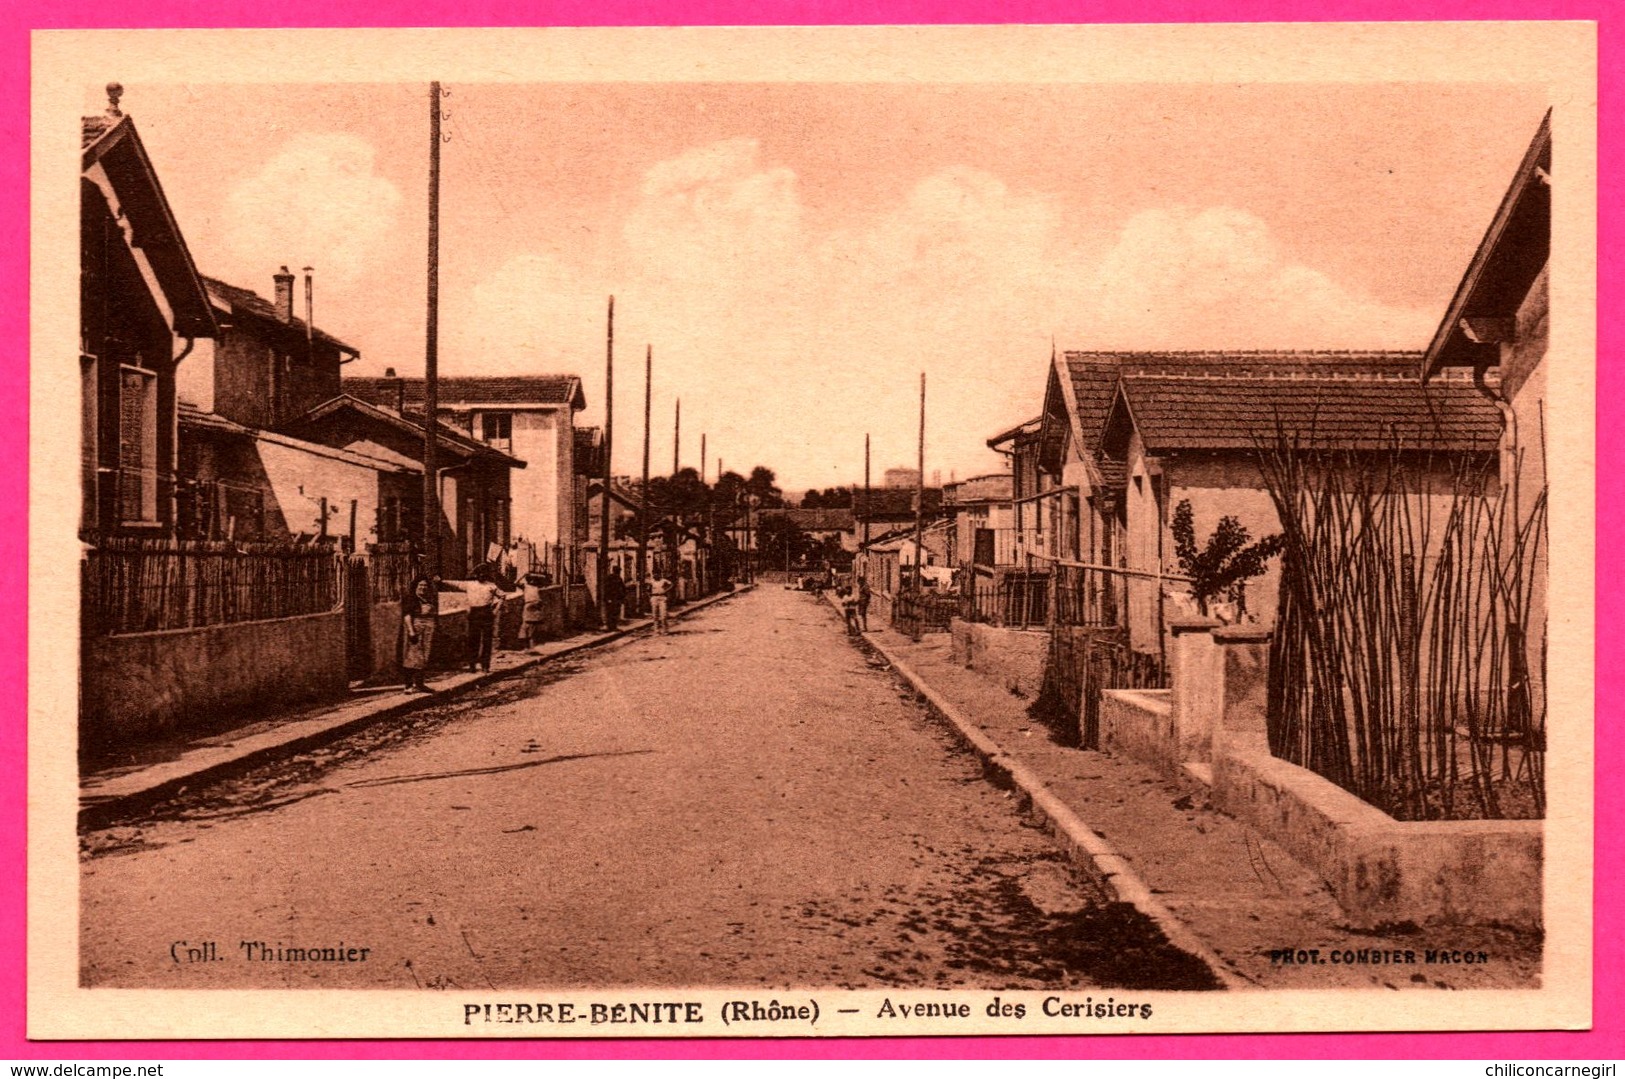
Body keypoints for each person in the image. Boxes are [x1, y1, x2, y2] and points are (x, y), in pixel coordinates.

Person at [400, 575, 439, 693]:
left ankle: (420, 684)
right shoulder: (411, 599)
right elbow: (407, 616)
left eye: (425, 585)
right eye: (420, 585)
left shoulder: (429, 599)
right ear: (415, 586)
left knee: (424, 656)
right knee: (412, 657)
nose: (423, 588)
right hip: (416, 628)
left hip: (428, 630)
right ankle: (408, 685)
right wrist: (411, 632)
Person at [464, 567, 502, 672]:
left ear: (486, 574)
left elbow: (503, 596)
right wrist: (440, 580)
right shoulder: (469, 584)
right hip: (474, 613)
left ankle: (485, 665)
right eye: (479, 573)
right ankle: (472, 665)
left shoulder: (491, 586)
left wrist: (496, 610)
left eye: (483, 573)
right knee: (473, 639)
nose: (481, 575)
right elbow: (454, 583)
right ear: (476, 574)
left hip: (486, 612)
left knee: (487, 640)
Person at [519, 570, 550, 649]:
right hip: (529, 606)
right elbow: (515, 583)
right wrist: (523, 575)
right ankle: (527, 647)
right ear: (528, 580)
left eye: (534, 579)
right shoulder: (525, 586)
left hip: (537, 606)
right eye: (531, 579)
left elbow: (547, 580)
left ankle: (532, 646)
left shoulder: (537, 587)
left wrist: (536, 575)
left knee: (534, 627)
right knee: (527, 625)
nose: (532, 581)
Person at [603, 564, 627, 629]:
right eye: (617, 571)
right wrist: (607, 598)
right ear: (614, 571)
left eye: (618, 571)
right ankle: (609, 626)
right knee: (610, 612)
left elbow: (623, 588)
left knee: (616, 612)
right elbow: (606, 588)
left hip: (617, 598)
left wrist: (622, 597)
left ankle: (614, 626)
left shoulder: (619, 578)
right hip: (611, 598)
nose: (618, 572)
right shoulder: (609, 578)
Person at [649, 570, 672, 635]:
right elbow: (647, 588)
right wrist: (649, 595)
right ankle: (656, 631)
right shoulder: (651, 581)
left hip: (662, 598)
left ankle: (665, 630)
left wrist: (666, 590)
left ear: (660, 574)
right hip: (654, 597)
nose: (655, 575)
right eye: (654, 574)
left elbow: (671, 584)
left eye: (657, 574)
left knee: (663, 615)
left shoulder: (663, 580)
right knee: (655, 615)